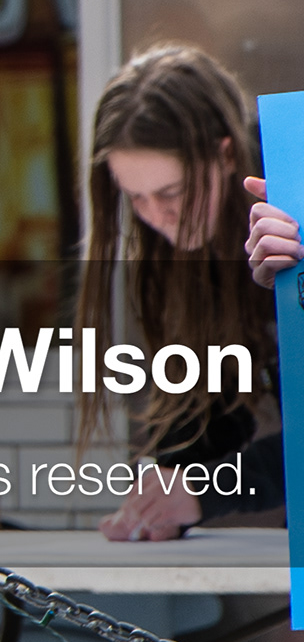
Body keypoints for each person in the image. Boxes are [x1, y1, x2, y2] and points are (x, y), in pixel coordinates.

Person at [76, 46, 283, 538]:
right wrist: (167, 483)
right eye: (136, 198)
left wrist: (204, 492)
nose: (157, 216)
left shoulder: (290, 206)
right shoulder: (192, 245)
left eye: (170, 193)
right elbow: (214, 396)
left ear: (226, 154)